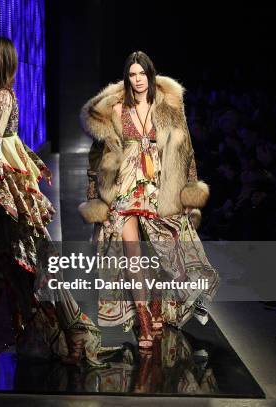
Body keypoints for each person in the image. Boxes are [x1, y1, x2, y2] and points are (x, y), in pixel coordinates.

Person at [0, 37, 116, 376]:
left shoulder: (2, 97)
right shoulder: (6, 96)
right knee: (22, 266)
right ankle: (52, 333)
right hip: (0, 193)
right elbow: (8, 143)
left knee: (18, 265)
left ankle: (60, 334)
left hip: (0, 197)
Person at [78, 51, 219, 351]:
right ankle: (142, 318)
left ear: (151, 75)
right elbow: (97, 156)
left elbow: (186, 152)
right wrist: (94, 199)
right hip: (126, 187)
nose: (138, 79)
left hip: (160, 187)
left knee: (160, 253)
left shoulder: (167, 107)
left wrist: (190, 190)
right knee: (133, 254)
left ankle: (156, 305)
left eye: (142, 74)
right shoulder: (116, 109)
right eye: (132, 74)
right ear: (127, 78)